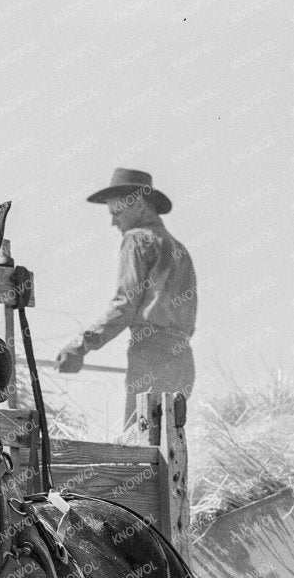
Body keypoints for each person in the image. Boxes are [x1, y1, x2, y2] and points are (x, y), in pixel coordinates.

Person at [54, 168, 196, 448]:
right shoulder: (179, 249)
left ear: (137, 204)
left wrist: (81, 345)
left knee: (139, 447)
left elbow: (125, 305)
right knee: (168, 448)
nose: (113, 222)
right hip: (182, 361)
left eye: (116, 212)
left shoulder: (137, 239)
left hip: (151, 355)